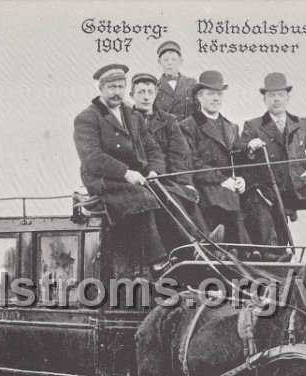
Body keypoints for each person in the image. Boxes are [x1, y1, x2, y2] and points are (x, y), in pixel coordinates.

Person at [73, 64, 171, 278]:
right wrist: (126, 172)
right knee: (143, 197)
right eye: (111, 87)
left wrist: (154, 171)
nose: (117, 92)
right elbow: (92, 159)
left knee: (170, 192)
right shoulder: (87, 118)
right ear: (101, 89)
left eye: (120, 86)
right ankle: (157, 260)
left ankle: (193, 246)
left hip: (133, 178)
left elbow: (152, 147)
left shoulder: (132, 115)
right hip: (104, 181)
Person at [240, 72, 306, 247]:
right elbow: (240, 157)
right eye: (271, 95)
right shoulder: (252, 126)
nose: (276, 99)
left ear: (288, 98)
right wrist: (250, 149)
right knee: (277, 244)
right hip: (269, 192)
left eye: (280, 95)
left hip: (297, 189)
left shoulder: (301, 125)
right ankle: (272, 249)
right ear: (264, 99)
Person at [130, 72, 224, 252]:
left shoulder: (169, 120)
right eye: (141, 92)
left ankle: (207, 245)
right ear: (132, 95)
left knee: (186, 195)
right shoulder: (127, 121)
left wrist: (185, 184)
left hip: (168, 178)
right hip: (141, 181)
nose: (146, 96)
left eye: (150, 91)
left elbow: (180, 155)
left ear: (156, 93)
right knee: (169, 196)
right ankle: (199, 246)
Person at [179, 70, 251, 248]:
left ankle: (260, 250)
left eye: (219, 94)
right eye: (211, 94)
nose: (216, 98)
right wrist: (222, 179)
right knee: (224, 196)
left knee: (257, 197)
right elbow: (191, 162)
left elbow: (237, 159)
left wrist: (241, 179)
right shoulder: (188, 125)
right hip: (204, 184)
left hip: (228, 185)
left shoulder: (231, 127)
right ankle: (238, 248)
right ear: (199, 97)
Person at [154, 41, 197, 122]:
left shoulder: (191, 84)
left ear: (180, 61)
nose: (169, 63)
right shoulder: (155, 87)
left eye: (174, 59)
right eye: (165, 60)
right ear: (159, 62)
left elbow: (199, 113)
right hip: (165, 133)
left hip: (188, 133)